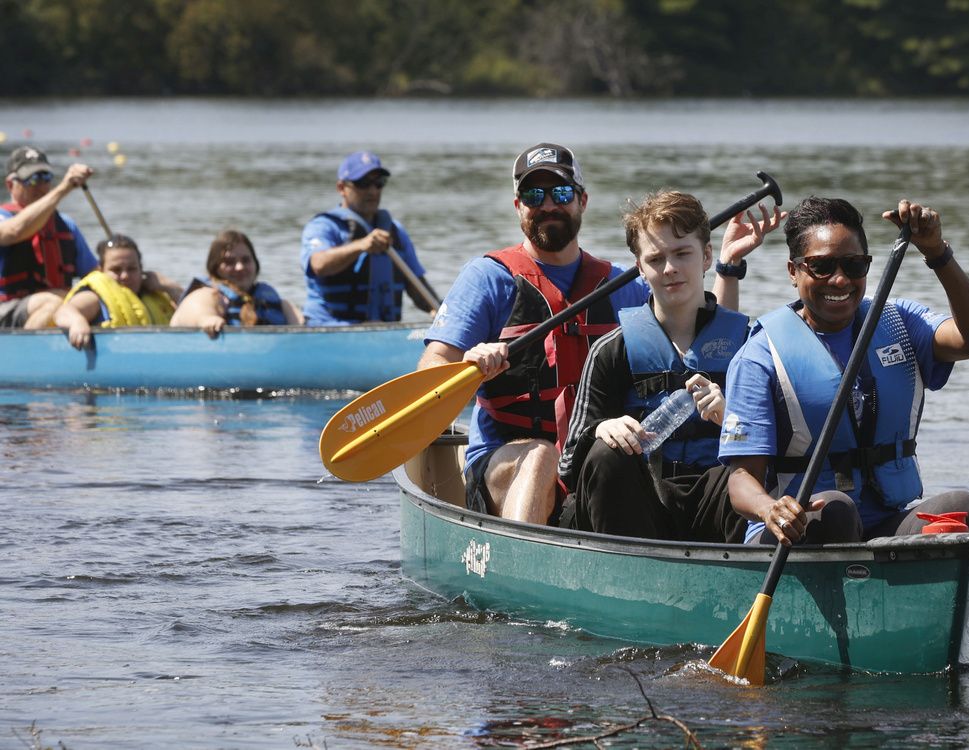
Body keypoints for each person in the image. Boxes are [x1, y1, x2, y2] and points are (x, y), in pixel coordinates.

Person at [418, 143, 770, 526]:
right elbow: (429, 381)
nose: (548, 204)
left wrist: (728, 267)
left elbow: (708, 338)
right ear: (518, 206)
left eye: (562, 193)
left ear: (582, 200)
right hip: (507, 460)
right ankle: (525, 560)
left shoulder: (621, 283)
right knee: (541, 456)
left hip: (594, 462)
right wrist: (468, 368)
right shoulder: (487, 279)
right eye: (533, 195)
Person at [720, 197, 969, 546]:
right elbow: (741, 479)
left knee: (964, 509)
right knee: (837, 509)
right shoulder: (759, 356)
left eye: (854, 266)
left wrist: (937, 254)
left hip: (882, 525)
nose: (839, 280)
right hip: (799, 531)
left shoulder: (898, 322)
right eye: (821, 266)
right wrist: (769, 509)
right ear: (793, 271)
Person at [558, 190, 783, 541]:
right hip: (637, 506)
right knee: (606, 454)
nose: (670, 268)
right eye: (655, 259)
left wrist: (731, 418)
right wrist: (601, 430)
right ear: (640, 269)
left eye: (682, 254)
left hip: (717, 501)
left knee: (748, 472)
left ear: (707, 256)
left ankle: (744, 571)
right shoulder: (609, 350)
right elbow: (569, 464)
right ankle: (623, 573)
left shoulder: (750, 345)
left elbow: (785, 450)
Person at [300, 150, 437, 325]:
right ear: (341, 188)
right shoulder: (323, 226)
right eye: (363, 183)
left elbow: (417, 287)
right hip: (329, 330)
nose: (372, 191)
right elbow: (318, 264)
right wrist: (361, 246)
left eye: (379, 183)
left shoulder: (395, 232)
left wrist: (444, 313)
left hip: (383, 333)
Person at [1, 146, 97, 328]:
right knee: (53, 303)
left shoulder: (66, 225)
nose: (40, 185)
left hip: (53, 305)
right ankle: (22, 354)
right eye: (32, 179)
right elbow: (14, 231)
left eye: (45, 178)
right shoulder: (3, 219)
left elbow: (94, 275)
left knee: (93, 299)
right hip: (6, 309)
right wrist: (64, 188)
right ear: (10, 184)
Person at [53, 234, 182, 349]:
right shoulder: (94, 297)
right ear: (101, 270)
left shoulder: (156, 296)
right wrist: (77, 322)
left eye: (132, 269)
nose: (125, 276)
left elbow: (189, 313)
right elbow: (63, 312)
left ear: (141, 270)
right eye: (116, 270)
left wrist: (170, 287)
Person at [171, 229, 304, 336]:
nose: (240, 267)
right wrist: (208, 320)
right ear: (214, 267)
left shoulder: (281, 304)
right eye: (229, 262)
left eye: (246, 260)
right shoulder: (205, 296)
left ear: (255, 264)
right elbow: (196, 312)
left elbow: (304, 329)